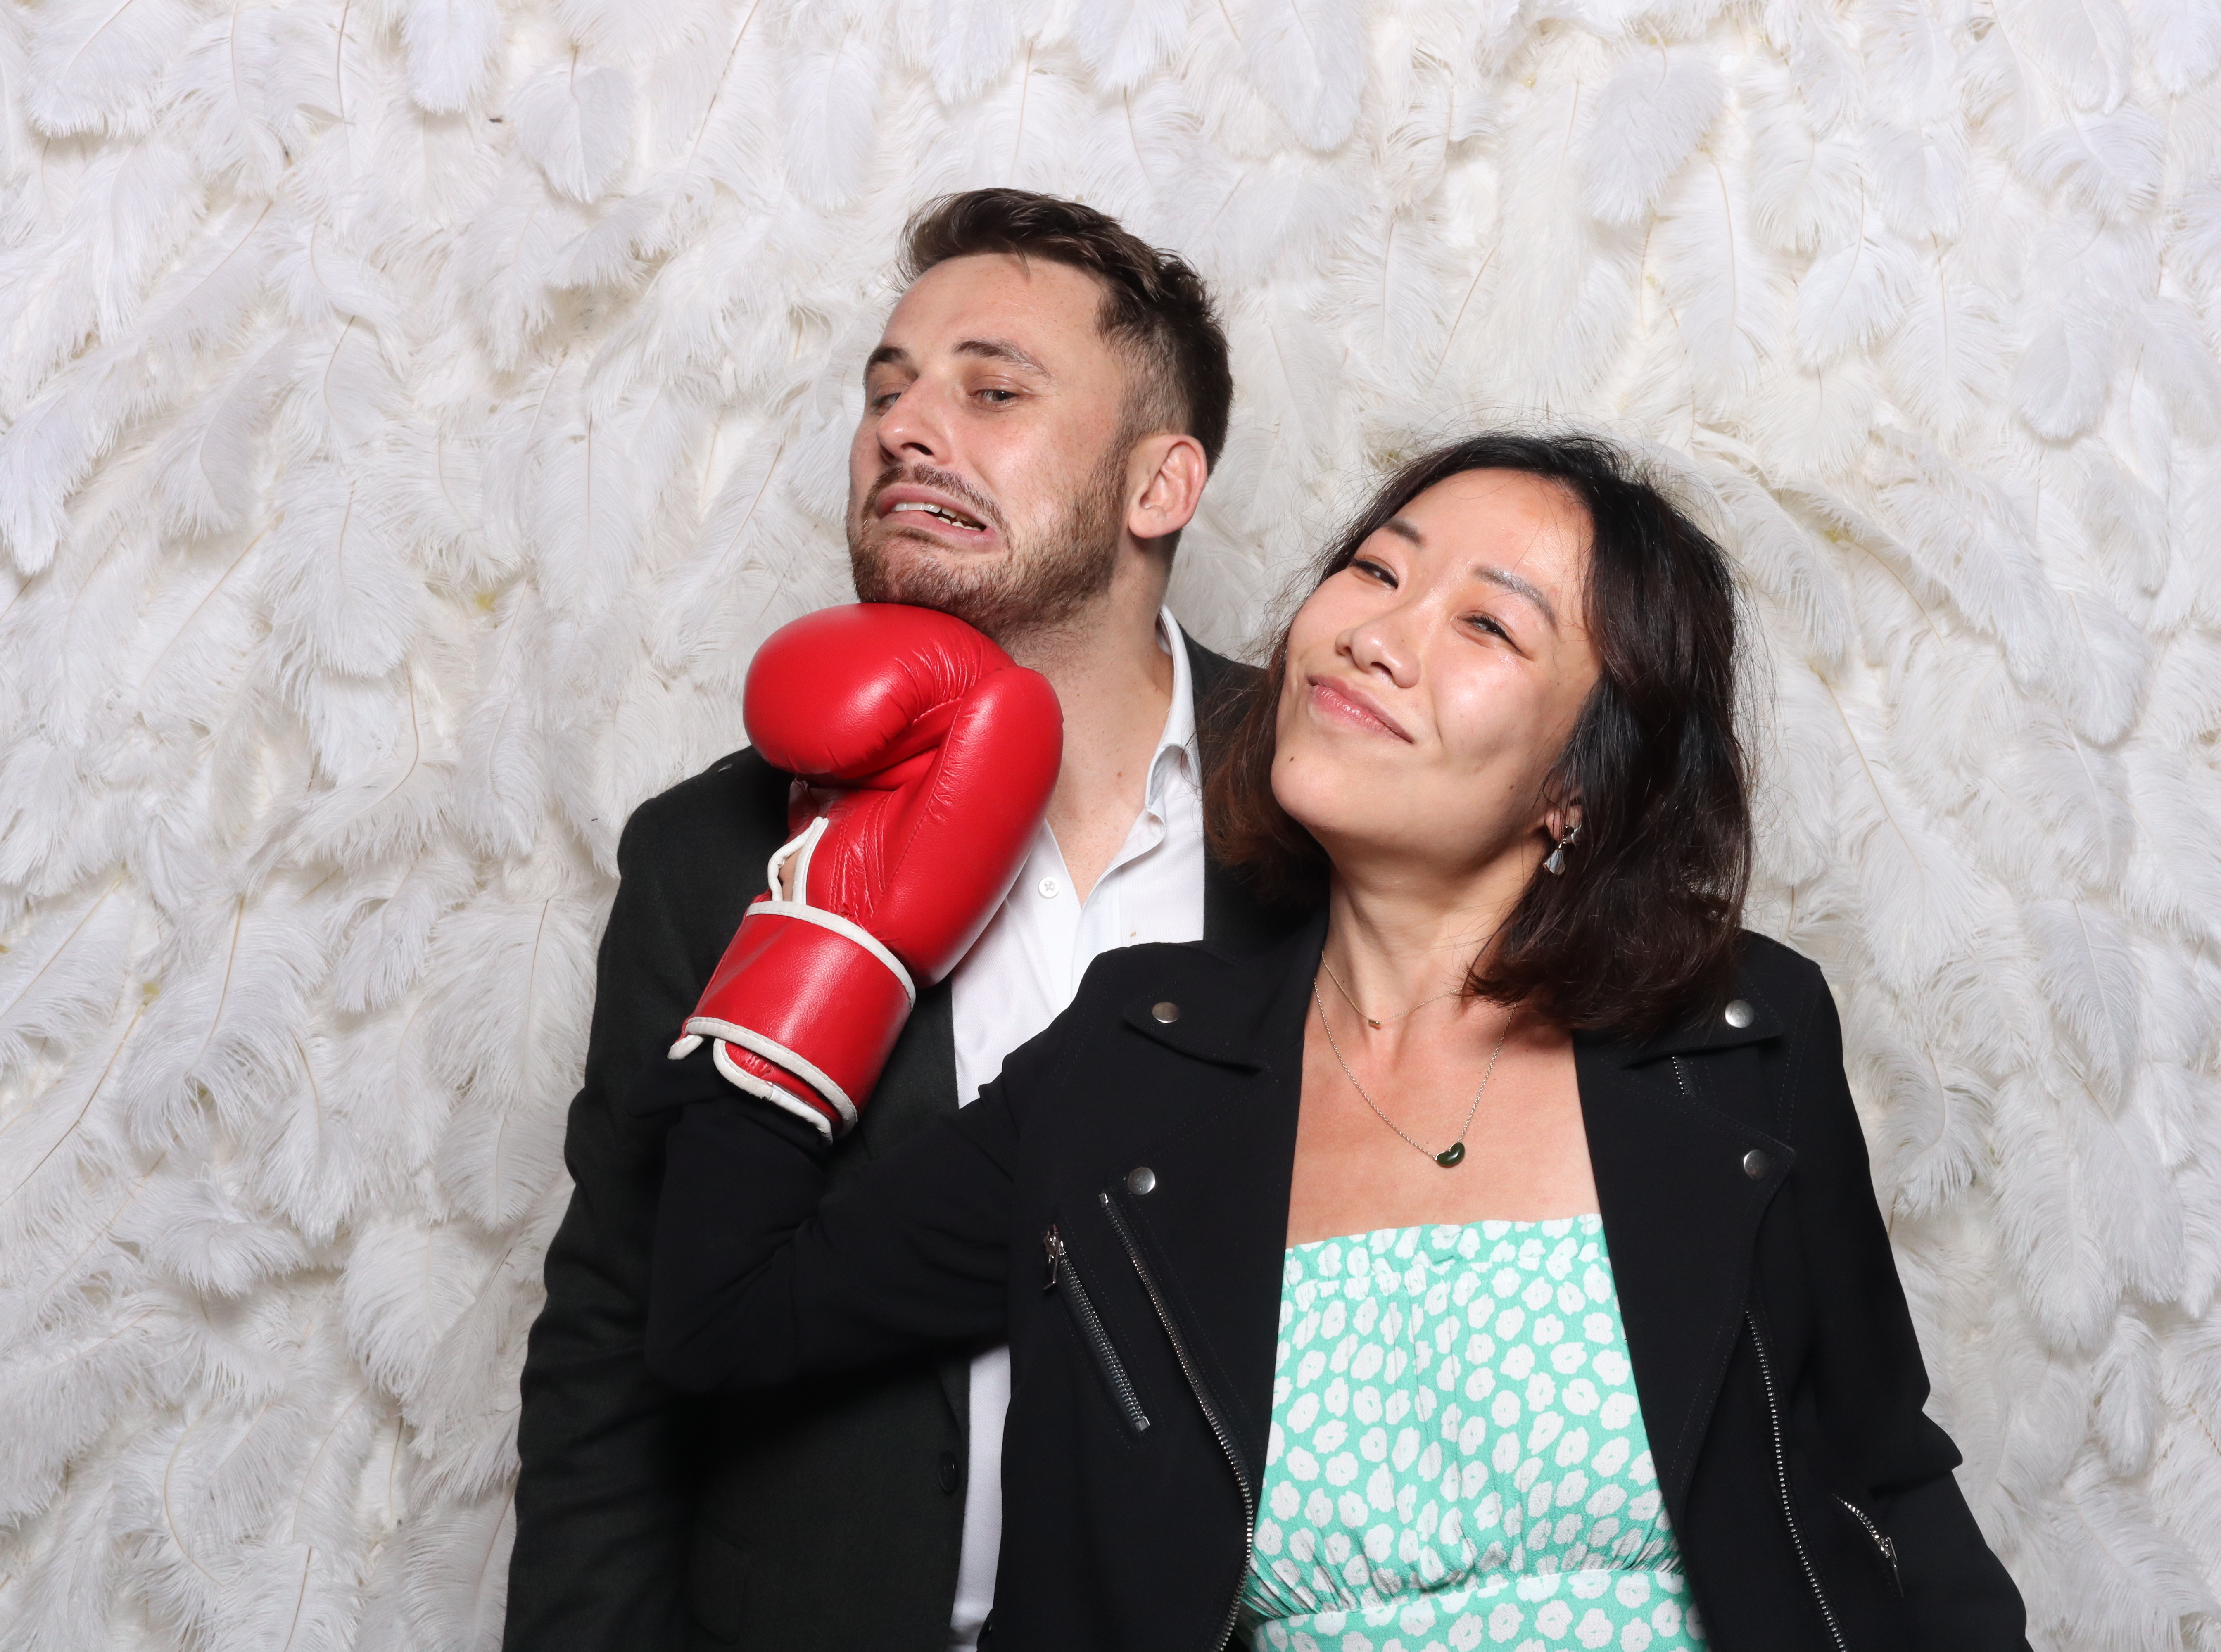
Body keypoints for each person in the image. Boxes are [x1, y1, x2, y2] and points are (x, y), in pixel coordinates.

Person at [639, 432, 2033, 1651]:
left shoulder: (1739, 1035)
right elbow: (728, 1321)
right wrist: (830, 944)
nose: (1376, 632)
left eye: (1490, 627)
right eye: (1375, 571)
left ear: (1579, 785)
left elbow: (1887, 1478)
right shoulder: (1131, 1073)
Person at [504, 189, 1290, 1652]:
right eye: (887, 392)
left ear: (1159, 485)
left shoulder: (1326, 806)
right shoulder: (714, 849)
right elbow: (614, 1336)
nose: (906, 430)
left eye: (992, 391)